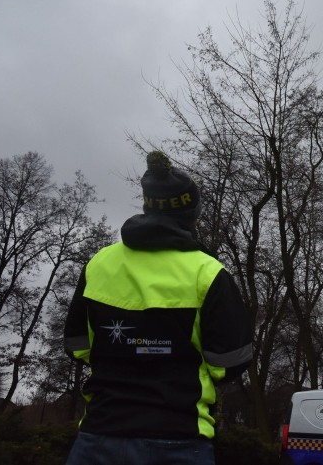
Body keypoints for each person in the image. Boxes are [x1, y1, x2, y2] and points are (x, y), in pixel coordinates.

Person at [64, 150, 253, 464]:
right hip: (178, 438)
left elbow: (77, 346)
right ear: (192, 214)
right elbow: (230, 362)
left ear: (147, 205)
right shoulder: (209, 273)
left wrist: (126, 350)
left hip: (99, 435)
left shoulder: (99, 265)